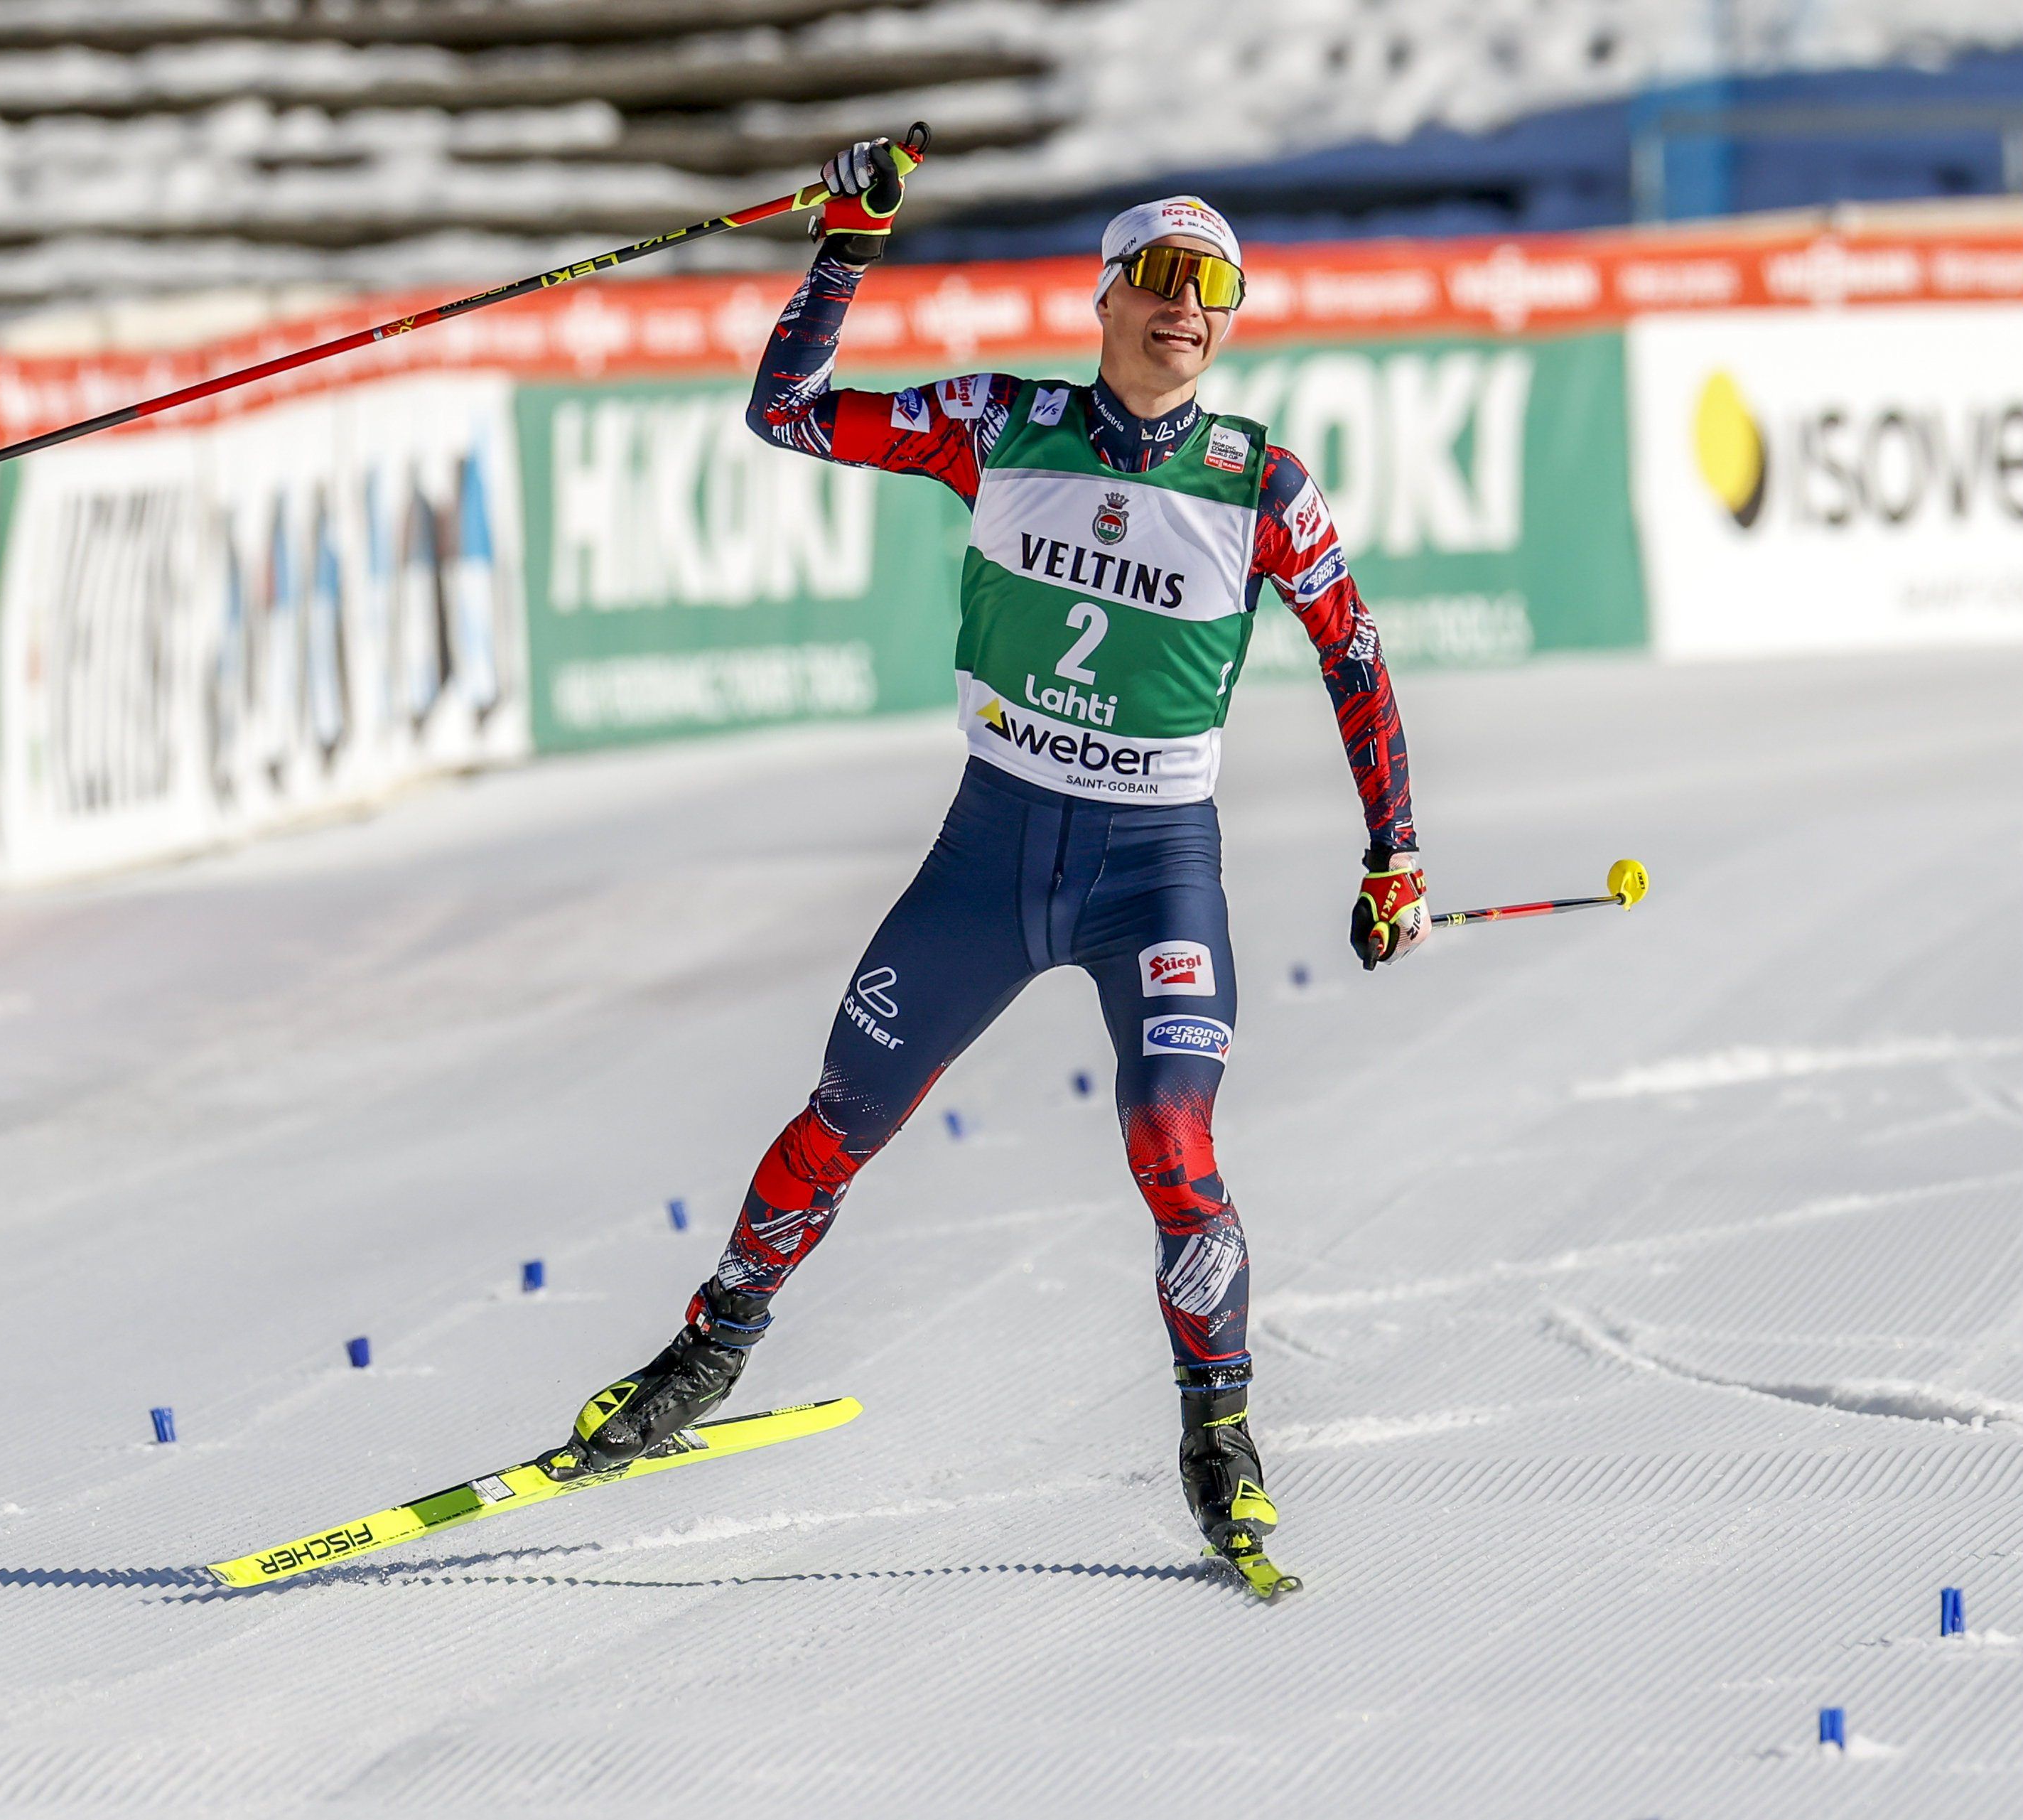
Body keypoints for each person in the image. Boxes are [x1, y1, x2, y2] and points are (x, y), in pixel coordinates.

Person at [549, 138, 1429, 1592]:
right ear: (1105, 297)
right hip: (993, 845)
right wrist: (849, 247)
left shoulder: (1261, 481)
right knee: (843, 1115)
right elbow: (785, 415)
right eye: (1157, 277)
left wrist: (1392, 853)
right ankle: (709, 1351)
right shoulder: (1000, 420)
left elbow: (1356, 654)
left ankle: (1221, 1435)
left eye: (1214, 288)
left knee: (1171, 1145)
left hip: (1154, 867)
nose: (1185, 308)